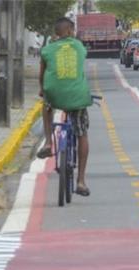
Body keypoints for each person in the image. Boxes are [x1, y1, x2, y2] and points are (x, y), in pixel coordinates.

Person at [37, 17, 92, 196]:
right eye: (73, 31)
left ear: (56, 33)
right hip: (77, 97)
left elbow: (41, 75)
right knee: (82, 133)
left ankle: (47, 142)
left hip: (54, 94)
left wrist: (42, 91)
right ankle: (81, 181)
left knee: (46, 106)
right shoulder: (78, 46)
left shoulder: (47, 50)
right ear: (69, 32)